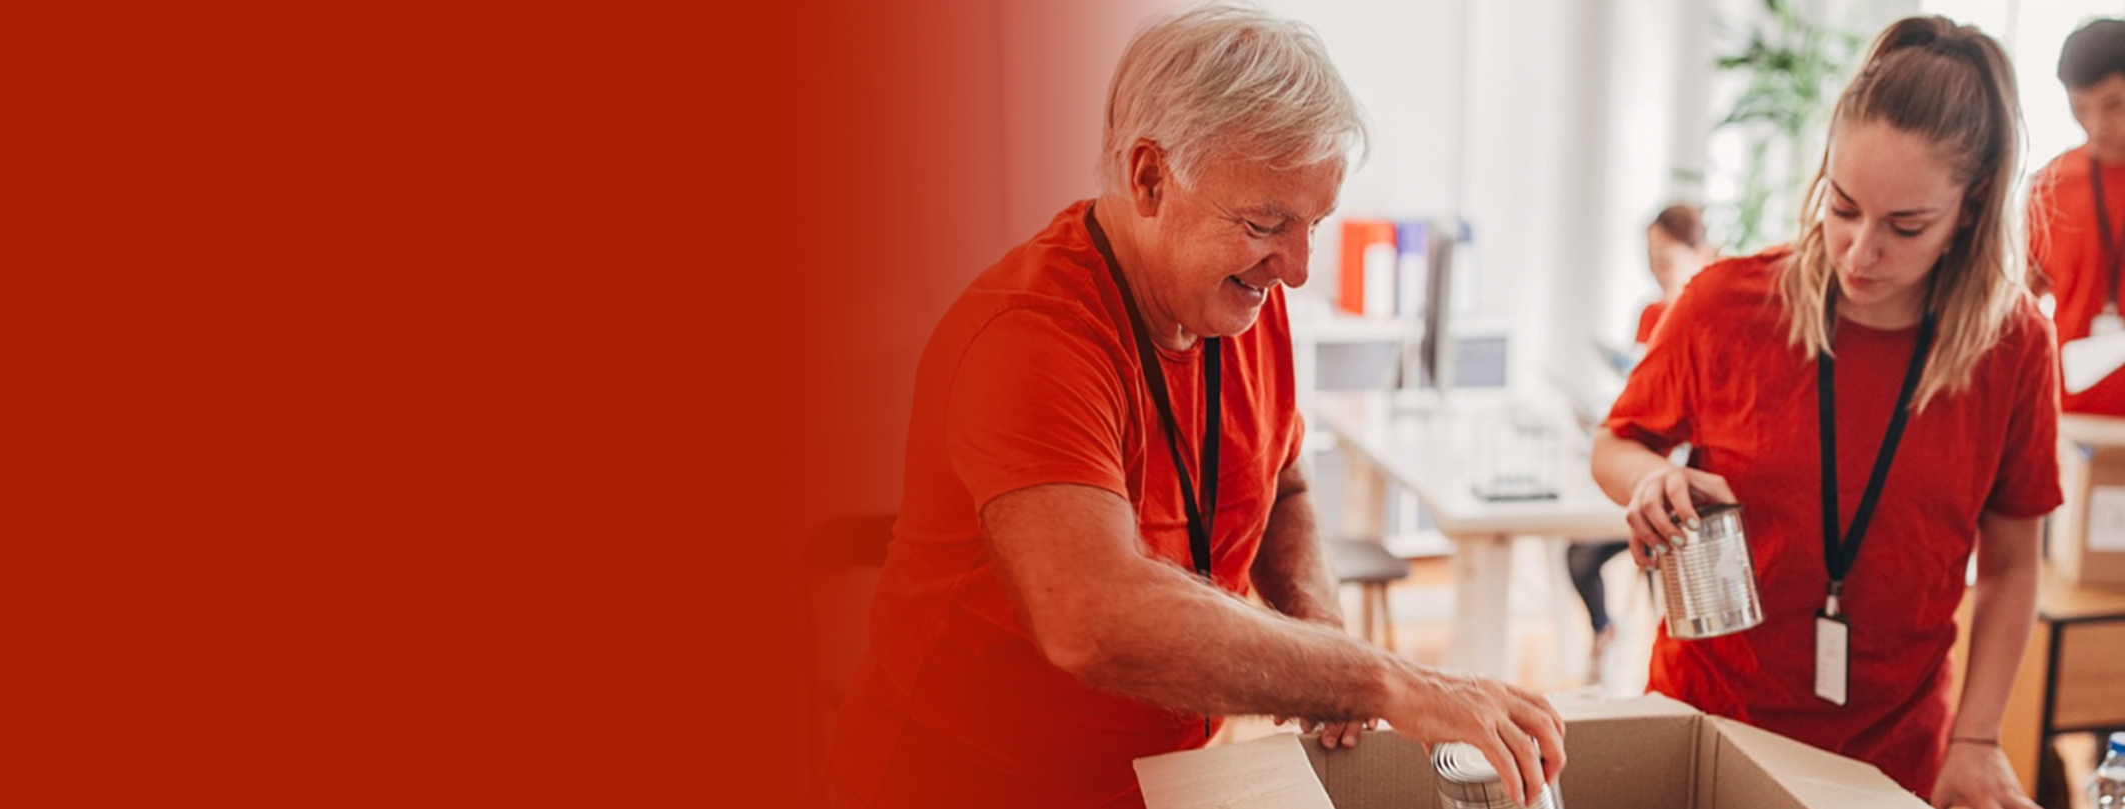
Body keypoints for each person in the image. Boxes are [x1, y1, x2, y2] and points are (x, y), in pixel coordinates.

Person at [829, 7, 1565, 809]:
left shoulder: (1244, 302)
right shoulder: (1027, 339)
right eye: (1264, 224)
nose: (1298, 269)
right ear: (1150, 179)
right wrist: (1380, 679)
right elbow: (1092, 617)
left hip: (1156, 782)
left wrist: (1319, 635)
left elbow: (1283, 485)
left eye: (1314, 225)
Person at [1590, 16, 2056, 808]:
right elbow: (1616, 441)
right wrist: (1646, 482)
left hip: (1890, 753)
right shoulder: (1724, 302)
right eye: (1842, 207)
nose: (1859, 251)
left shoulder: (2013, 347)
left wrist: (1976, 739)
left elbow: (2012, 563)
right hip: (1707, 722)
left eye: (1906, 226)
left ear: (1972, 207)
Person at [1569, 204, 1715, 677]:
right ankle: (1605, 632)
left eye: (1665, 258)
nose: (1655, 269)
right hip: (1645, 469)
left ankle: (1634, 647)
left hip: (1683, 487)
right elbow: (1639, 403)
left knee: (1620, 553)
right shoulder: (1651, 313)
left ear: (1702, 255)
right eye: (1649, 257)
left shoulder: (1711, 322)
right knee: (1578, 553)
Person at [2029, 18, 2125, 413]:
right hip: (2068, 409)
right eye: (2079, 108)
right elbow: (2024, 297)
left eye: (2114, 105)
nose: (2096, 125)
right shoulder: (2051, 185)